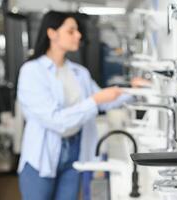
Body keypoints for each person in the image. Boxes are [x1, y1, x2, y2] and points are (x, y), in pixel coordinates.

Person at [17, 11, 144, 200]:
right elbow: (57, 121)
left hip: (75, 151)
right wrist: (95, 100)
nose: (78, 35)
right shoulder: (32, 72)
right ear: (52, 33)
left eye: (77, 30)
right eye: (71, 31)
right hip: (41, 157)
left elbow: (104, 101)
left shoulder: (79, 72)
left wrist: (133, 90)